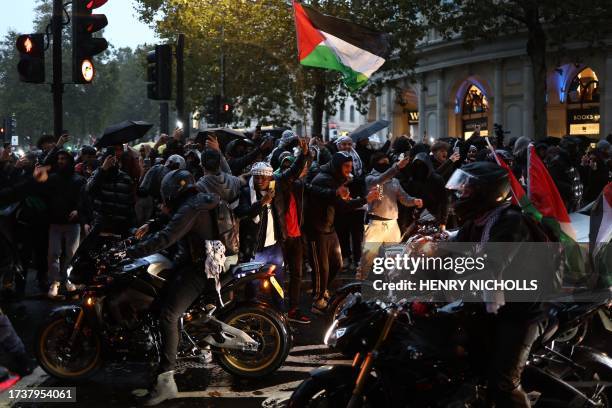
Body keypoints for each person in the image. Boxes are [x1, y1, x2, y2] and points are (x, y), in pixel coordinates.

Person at [446, 162, 548, 408]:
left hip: (521, 311)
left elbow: (491, 263)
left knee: (503, 382)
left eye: (466, 190)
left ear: (485, 193)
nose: (461, 194)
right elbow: (454, 253)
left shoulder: (511, 222)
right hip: (487, 306)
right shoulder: (477, 221)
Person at [126, 170, 219, 406]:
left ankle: (167, 382)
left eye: (166, 195)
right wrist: (151, 224)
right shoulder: (195, 199)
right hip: (191, 260)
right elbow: (173, 221)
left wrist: (131, 252)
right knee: (158, 299)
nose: (164, 199)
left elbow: (168, 236)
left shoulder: (192, 206)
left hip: (200, 268)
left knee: (169, 314)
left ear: (172, 191)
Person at [306, 152, 380, 314]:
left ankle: (322, 290)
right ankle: (317, 301)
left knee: (337, 263)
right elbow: (342, 205)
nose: (349, 170)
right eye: (346, 166)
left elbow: (341, 203)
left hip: (329, 227)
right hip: (317, 229)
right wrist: (365, 199)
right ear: (337, 165)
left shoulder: (335, 179)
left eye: (350, 167)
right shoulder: (325, 180)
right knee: (321, 268)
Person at [357, 153, 422, 280]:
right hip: (375, 224)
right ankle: (359, 286)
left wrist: (414, 201)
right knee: (367, 258)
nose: (385, 165)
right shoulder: (371, 179)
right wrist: (396, 167)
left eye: (387, 163)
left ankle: (391, 285)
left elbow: (404, 198)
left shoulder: (395, 181)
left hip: (392, 224)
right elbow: (380, 180)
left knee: (395, 258)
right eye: (382, 163)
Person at [45, 150, 86, 298]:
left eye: (63, 159)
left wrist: (78, 211)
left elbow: (83, 199)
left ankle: (68, 279)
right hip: (56, 221)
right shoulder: (53, 179)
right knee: (53, 253)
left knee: (71, 254)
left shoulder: (79, 180)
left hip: (71, 222)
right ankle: (55, 281)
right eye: (59, 159)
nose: (60, 161)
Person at [85, 146, 136, 236]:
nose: (111, 161)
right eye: (108, 159)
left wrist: (131, 226)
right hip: (100, 227)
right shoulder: (97, 174)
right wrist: (103, 170)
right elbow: (89, 189)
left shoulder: (125, 178)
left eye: (113, 159)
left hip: (121, 227)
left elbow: (130, 204)